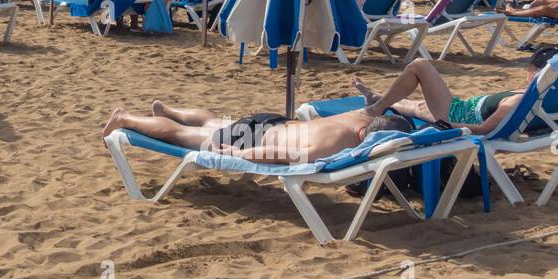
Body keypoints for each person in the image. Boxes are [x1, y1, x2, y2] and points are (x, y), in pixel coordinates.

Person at [102, 98, 411, 164]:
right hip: (259, 139)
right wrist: (240, 154)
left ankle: (168, 110)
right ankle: (126, 117)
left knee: (216, 123)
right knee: (184, 137)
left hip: (275, 122)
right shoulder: (337, 144)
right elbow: (283, 155)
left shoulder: (359, 117)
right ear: (364, 137)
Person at [351, 47, 558, 136]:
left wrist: (444, 125)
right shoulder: (550, 96)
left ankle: (376, 108)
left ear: (535, 72)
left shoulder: (517, 101)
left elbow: (484, 130)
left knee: (420, 65)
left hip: (455, 114)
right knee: (418, 106)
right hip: (461, 108)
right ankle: (378, 98)